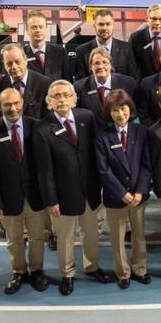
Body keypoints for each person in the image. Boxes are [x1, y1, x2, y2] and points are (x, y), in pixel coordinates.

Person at [33, 80, 111, 295]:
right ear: (49, 101)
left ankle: (92, 266)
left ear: (73, 98)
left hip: (90, 190)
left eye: (66, 95)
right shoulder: (42, 129)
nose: (62, 100)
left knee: (91, 233)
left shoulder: (87, 117)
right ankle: (67, 274)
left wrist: (102, 185)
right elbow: (44, 170)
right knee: (65, 238)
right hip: (63, 194)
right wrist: (51, 199)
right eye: (56, 96)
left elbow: (97, 154)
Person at [0, 87, 48, 294]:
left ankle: (37, 270)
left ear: (23, 102)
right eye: (7, 104)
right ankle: (19, 271)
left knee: (37, 236)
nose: (12, 108)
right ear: (0, 106)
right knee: (14, 239)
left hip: (35, 196)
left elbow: (44, 166)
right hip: (7, 198)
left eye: (16, 103)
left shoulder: (37, 127)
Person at [95, 90, 151, 289]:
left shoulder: (141, 132)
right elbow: (103, 170)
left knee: (138, 235)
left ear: (131, 109)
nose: (120, 114)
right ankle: (123, 272)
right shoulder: (102, 137)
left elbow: (146, 164)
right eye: (115, 110)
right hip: (115, 196)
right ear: (109, 113)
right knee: (117, 238)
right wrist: (122, 193)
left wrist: (139, 191)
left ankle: (139, 268)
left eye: (123, 108)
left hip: (138, 196)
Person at [73, 46, 138, 126]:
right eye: (96, 63)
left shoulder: (128, 83)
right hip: (93, 134)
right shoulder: (79, 87)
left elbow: (134, 112)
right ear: (91, 67)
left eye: (104, 62)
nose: (101, 66)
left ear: (110, 65)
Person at [75, 9, 141, 80]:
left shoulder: (126, 49)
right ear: (94, 26)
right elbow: (81, 83)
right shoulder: (82, 51)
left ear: (113, 25)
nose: (104, 28)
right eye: (101, 24)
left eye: (108, 24)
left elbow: (133, 79)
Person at [0, 43, 53, 120]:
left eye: (17, 62)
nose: (14, 67)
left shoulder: (44, 84)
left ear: (26, 60)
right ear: (4, 64)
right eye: (9, 64)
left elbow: (48, 118)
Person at [128, 3, 161, 81]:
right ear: (147, 19)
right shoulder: (135, 39)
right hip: (145, 87)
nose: (157, 23)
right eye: (154, 19)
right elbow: (132, 67)